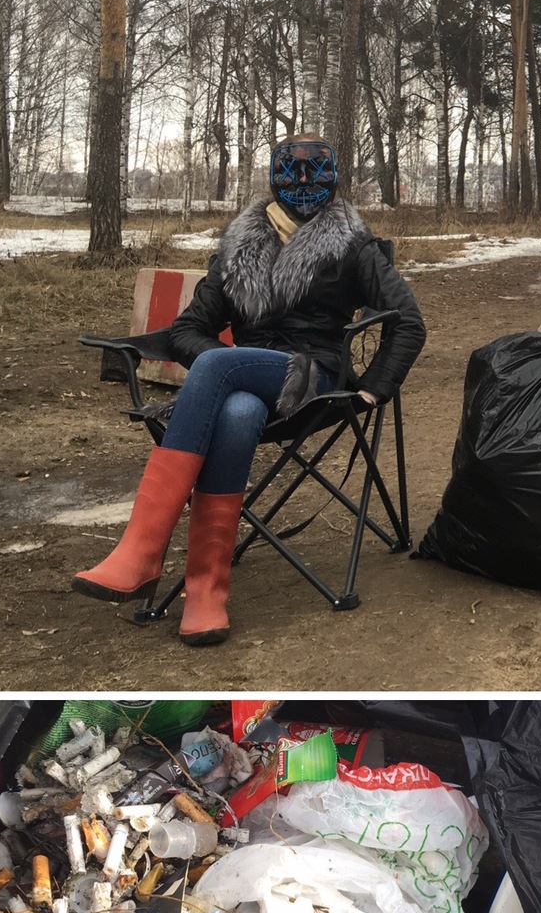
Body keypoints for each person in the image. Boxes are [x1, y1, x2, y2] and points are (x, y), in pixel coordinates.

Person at [73, 139, 427, 643]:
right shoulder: (241, 244)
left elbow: (408, 322)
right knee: (236, 411)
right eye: (291, 172)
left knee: (220, 366)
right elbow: (186, 330)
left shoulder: (353, 244)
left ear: (332, 177)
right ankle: (206, 592)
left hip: (316, 379)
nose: (304, 182)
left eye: (315, 172)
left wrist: (374, 388)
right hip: (246, 380)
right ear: (273, 177)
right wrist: (224, 371)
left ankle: (141, 551)